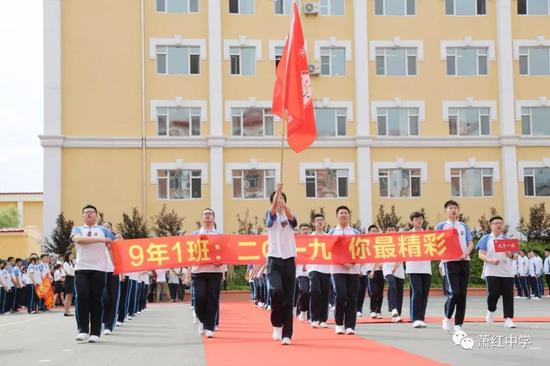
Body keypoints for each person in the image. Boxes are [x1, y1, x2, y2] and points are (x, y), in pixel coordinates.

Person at [70, 204, 115, 343]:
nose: (89, 214)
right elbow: (80, 240)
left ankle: (95, 332)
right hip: (82, 267)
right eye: (86, 212)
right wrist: (101, 240)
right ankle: (83, 330)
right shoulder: (77, 229)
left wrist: (115, 266)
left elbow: (113, 248)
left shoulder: (104, 230)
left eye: (91, 212)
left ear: (96, 215)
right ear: (83, 216)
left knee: (96, 299)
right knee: (82, 297)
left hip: (99, 268)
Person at [266, 183, 297, 345]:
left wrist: (285, 207)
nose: (280, 201)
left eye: (282, 199)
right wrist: (278, 190)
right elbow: (271, 213)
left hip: (289, 260)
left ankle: (287, 335)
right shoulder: (269, 216)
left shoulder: (290, 217)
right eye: (277, 199)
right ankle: (277, 323)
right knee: (276, 290)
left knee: (288, 299)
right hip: (274, 259)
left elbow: (293, 220)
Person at [436, 200, 473, 332]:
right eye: (451, 208)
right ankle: (447, 318)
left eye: (456, 208)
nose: (453, 210)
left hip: (464, 261)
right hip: (449, 262)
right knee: (454, 292)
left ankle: (458, 325)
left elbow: (470, 243)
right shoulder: (441, 226)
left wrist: (466, 253)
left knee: (462, 294)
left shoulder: (463, 226)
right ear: (446, 211)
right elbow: (436, 243)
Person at [476, 216, 516, 328]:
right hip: (491, 271)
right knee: (493, 294)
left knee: (508, 296)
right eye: (496, 223)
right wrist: (491, 260)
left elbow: (515, 255)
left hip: (507, 272)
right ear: (491, 225)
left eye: (501, 223)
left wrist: (511, 255)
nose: (498, 225)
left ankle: (508, 319)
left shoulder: (507, 239)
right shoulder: (485, 239)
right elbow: (481, 254)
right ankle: (491, 311)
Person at [191, 208, 224, 339]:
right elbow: (189, 253)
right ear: (201, 218)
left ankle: (209, 327)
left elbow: (224, 253)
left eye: (210, 214)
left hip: (215, 271)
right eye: (205, 214)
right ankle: (202, 320)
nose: (207, 216)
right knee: (199, 298)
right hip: (198, 271)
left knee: (212, 299)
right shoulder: (194, 235)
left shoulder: (219, 236)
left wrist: (220, 261)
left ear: (213, 218)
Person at [330, 206, 361, 335]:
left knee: (352, 297)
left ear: (349, 215)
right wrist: (342, 262)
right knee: (341, 294)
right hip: (337, 269)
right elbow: (328, 250)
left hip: (353, 269)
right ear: (337, 215)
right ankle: (339, 324)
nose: (343, 215)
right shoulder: (332, 232)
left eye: (346, 213)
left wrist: (352, 263)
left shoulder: (355, 232)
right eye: (341, 213)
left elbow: (360, 250)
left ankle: (350, 326)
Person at [406, 211, 432, 328]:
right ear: (412, 222)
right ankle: (415, 318)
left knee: (424, 293)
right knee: (417, 292)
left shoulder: (428, 235)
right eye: (416, 219)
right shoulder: (407, 236)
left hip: (426, 267)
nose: (419, 221)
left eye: (420, 218)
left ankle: (421, 318)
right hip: (413, 267)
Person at [308, 213, 330, 328]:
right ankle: (314, 318)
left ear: (324, 222)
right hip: (313, 268)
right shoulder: (309, 237)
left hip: (326, 269)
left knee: (325, 294)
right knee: (315, 291)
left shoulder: (328, 237)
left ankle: (323, 319)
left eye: (321, 220)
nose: (320, 222)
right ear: (313, 223)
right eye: (317, 220)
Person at [382, 225, 404, 323]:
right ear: (385, 231)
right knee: (392, 284)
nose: (391, 231)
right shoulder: (382, 242)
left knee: (399, 291)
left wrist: (396, 266)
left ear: (396, 231)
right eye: (389, 229)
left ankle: (397, 314)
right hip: (387, 268)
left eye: (393, 229)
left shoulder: (400, 241)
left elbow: (403, 254)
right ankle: (393, 309)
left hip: (398, 268)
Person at [367, 225, 384, 319]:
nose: (374, 232)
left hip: (380, 270)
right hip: (370, 270)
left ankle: (379, 310)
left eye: (375, 231)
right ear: (369, 233)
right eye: (372, 231)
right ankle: (372, 310)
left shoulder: (380, 244)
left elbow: (381, 257)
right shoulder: (367, 244)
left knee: (380, 292)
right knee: (373, 292)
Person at [295, 223, 311, 322]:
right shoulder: (296, 242)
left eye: (307, 229)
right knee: (304, 291)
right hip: (301, 272)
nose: (305, 231)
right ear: (300, 231)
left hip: (313, 270)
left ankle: (310, 314)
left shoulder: (313, 241)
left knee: (313, 292)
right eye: (303, 229)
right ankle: (302, 310)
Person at [63, 252, 75, 316]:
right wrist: (74, 271)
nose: (72, 256)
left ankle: (68, 310)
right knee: (68, 296)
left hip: (72, 279)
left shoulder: (71, 263)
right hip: (68, 279)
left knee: (71, 296)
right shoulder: (65, 263)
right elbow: (70, 272)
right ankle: (66, 311)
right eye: (71, 255)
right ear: (68, 256)